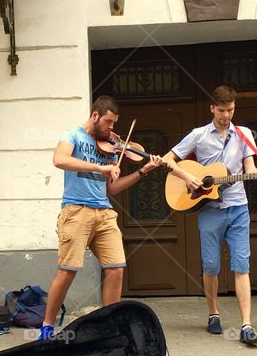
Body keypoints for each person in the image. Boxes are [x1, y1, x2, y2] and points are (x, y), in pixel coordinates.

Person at [38, 96, 164, 340]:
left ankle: (108, 328)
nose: (112, 129)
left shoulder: (111, 147)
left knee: (116, 268)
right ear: (95, 116)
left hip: (105, 213)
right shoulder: (72, 136)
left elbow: (113, 189)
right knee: (68, 270)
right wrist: (100, 167)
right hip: (76, 211)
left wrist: (142, 171)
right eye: (108, 122)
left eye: (115, 124)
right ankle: (47, 326)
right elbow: (59, 160)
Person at [163, 85, 257, 346]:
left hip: (238, 208)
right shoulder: (198, 135)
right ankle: (214, 314)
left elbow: (250, 166)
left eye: (231, 110)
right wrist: (187, 176)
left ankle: (246, 325)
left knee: (241, 264)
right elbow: (167, 160)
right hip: (210, 210)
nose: (226, 115)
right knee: (211, 265)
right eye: (222, 110)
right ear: (212, 108)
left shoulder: (243, 134)